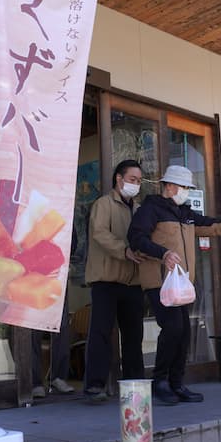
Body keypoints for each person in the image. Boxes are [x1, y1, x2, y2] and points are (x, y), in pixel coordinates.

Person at [128, 165, 221, 405]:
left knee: (184, 332)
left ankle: (177, 384)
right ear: (169, 186)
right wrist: (163, 253)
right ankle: (160, 382)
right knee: (173, 328)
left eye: (188, 188)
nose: (186, 192)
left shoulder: (185, 214)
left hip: (181, 284)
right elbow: (137, 238)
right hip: (159, 281)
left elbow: (215, 225)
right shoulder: (150, 209)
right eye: (184, 187)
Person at [82, 159, 146, 403]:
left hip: (133, 282)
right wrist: (126, 250)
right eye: (132, 179)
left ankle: (135, 385)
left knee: (133, 336)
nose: (136, 184)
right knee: (100, 333)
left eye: (139, 181)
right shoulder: (103, 204)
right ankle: (94, 386)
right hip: (106, 281)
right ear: (119, 179)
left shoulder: (139, 209)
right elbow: (99, 234)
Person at [32, 228, 77, 398]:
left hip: (56, 274)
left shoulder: (61, 212)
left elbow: (73, 242)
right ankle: (34, 381)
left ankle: (58, 377)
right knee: (32, 330)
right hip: (30, 274)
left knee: (61, 327)